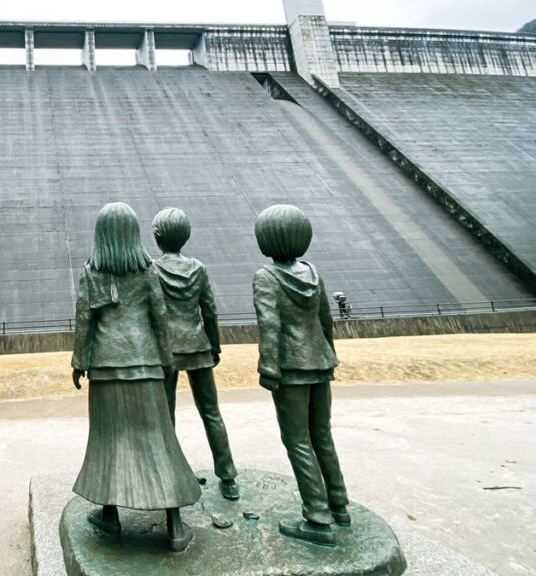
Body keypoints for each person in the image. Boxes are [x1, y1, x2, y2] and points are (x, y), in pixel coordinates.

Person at [71, 202, 201, 552]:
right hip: (145, 366)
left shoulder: (90, 272)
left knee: (107, 441)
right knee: (159, 441)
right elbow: (160, 316)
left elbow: (85, 321)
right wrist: (166, 358)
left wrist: (79, 360)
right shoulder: (147, 272)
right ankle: (174, 525)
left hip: (106, 369)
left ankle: (109, 515)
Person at [252, 204, 349, 547]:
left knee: (297, 440)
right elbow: (326, 320)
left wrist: (269, 368)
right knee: (322, 434)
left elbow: (270, 324)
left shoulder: (267, 277)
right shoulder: (312, 272)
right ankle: (339, 504)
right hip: (320, 361)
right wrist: (329, 355)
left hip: (292, 368)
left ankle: (318, 517)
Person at [151, 208, 240, 501]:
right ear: (186, 235)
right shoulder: (198, 268)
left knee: (167, 415)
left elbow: (151, 312)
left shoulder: (152, 269)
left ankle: (172, 474)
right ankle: (228, 477)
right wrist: (215, 346)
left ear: (158, 237)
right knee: (212, 412)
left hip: (167, 351)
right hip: (198, 345)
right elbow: (210, 310)